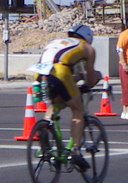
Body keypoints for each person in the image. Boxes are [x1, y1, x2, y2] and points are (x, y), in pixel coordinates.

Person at [29, 24, 102, 172]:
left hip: (40, 72)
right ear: (88, 38)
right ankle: (76, 151)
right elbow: (90, 79)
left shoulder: (59, 42)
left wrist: (78, 78)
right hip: (61, 73)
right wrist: (95, 78)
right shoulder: (88, 48)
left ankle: (46, 128)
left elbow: (69, 76)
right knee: (77, 110)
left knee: (54, 105)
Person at [116, 23, 128, 119]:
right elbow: (120, 50)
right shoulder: (125, 34)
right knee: (126, 88)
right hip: (126, 65)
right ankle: (126, 111)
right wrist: (124, 64)